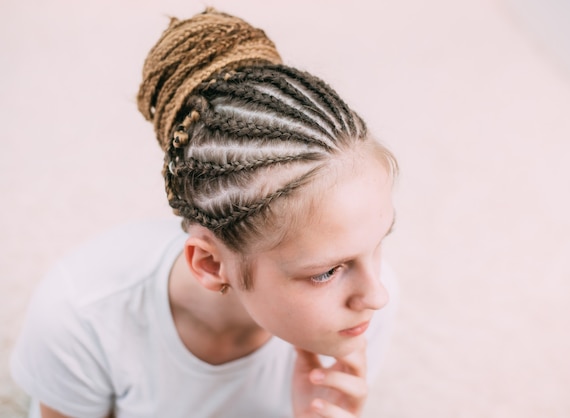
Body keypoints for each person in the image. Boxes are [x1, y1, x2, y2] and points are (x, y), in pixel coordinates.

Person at [10, 8, 399, 418]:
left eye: (378, 244)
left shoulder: (358, 314)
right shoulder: (81, 316)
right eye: (326, 272)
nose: (377, 294)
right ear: (212, 264)